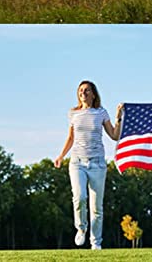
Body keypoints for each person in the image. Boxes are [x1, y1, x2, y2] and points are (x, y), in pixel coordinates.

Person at [54, 80, 123, 250]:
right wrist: (61, 156)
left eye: (86, 90)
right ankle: (81, 228)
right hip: (77, 163)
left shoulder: (101, 113)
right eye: (80, 90)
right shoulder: (73, 113)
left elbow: (114, 135)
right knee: (79, 197)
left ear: (93, 94)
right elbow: (70, 138)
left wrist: (118, 116)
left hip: (98, 164)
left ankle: (96, 243)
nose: (83, 93)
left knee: (96, 207)